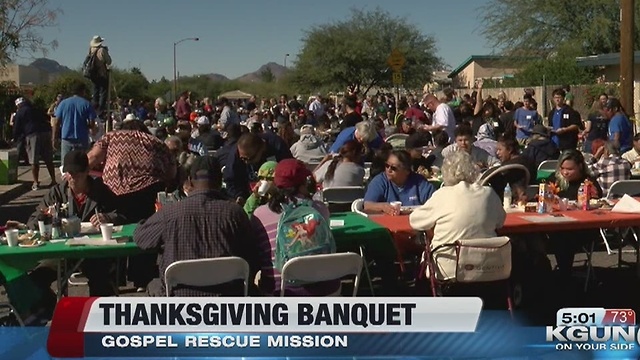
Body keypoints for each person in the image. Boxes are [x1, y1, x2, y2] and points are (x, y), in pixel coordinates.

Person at [134, 156, 259, 296]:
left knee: (153, 285)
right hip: (228, 299)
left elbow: (141, 239)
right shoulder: (236, 214)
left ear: (190, 181)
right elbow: (252, 255)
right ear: (219, 181)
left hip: (180, 298)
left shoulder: (169, 213)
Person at [87, 118, 177, 292]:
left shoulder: (111, 137)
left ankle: (116, 276)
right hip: (148, 188)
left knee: (114, 230)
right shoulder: (155, 142)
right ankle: (141, 278)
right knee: (145, 228)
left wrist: (74, 171)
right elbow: (171, 170)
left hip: (114, 189)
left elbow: (92, 157)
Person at [27, 150, 127, 297]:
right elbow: (33, 220)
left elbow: (122, 216)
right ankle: (50, 310)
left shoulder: (101, 191)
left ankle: (96, 315)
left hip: (94, 251)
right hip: (61, 251)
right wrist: (45, 217)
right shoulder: (57, 193)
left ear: (87, 171)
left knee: (101, 279)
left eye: (77, 173)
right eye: (69, 173)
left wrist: (108, 218)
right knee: (36, 278)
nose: (73, 178)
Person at [409, 151, 506, 279]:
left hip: (448, 268)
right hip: (487, 267)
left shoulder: (443, 195)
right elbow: (500, 221)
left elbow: (415, 221)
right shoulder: (489, 194)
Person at [250, 159, 338, 296]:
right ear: (303, 185)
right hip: (325, 291)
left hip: (281, 292)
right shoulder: (320, 209)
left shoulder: (260, 214)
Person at [546, 150, 603, 279]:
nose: (565, 172)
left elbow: (598, 199)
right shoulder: (555, 180)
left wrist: (593, 196)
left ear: (580, 166)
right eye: (563, 168)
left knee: (562, 238)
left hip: (582, 227)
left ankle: (564, 275)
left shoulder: (588, 182)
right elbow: (541, 198)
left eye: (570, 169)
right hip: (556, 225)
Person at [223, 132, 293, 200]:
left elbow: (290, 170)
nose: (246, 162)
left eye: (250, 158)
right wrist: (239, 196)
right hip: (249, 194)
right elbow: (230, 180)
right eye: (243, 159)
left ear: (262, 148)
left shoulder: (277, 145)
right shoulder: (236, 153)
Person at [363, 150, 435, 213]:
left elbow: (434, 203)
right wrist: (383, 206)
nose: (389, 169)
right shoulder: (380, 181)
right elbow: (367, 205)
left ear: (406, 171)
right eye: (387, 165)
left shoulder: (419, 182)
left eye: (393, 168)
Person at [12, 97, 57, 190]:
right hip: (45, 133)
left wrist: (15, 138)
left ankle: (36, 182)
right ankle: (53, 180)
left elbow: (17, 127)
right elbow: (46, 118)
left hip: (32, 134)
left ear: (18, 105)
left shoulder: (20, 112)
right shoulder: (35, 109)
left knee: (34, 160)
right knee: (48, 158)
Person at [53, 82, 97, 167]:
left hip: (66, 138)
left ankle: (67, 180)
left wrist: (54, 138)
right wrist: (85, 125)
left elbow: (57, 122)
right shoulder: (86, 104)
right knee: (81, 165)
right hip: (82, 138)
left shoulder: (63, 103)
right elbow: (92, 123)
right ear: (83, 91)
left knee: (66, 164)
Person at [487, 136, 536, 201]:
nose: (497, 153)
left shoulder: (506, 167)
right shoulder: (529, 161)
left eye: (500, 150)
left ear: (509, 149)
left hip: (510, 200)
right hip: (531, 198)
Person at [87, 36, 112, 112]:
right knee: (103, 91)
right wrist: (106, 51)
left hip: (93, 74)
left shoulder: (91, 50)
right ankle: (101, 108)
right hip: (102, 73)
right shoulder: (102, 50)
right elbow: (109, 61)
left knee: (95, 90)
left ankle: (95, 106)